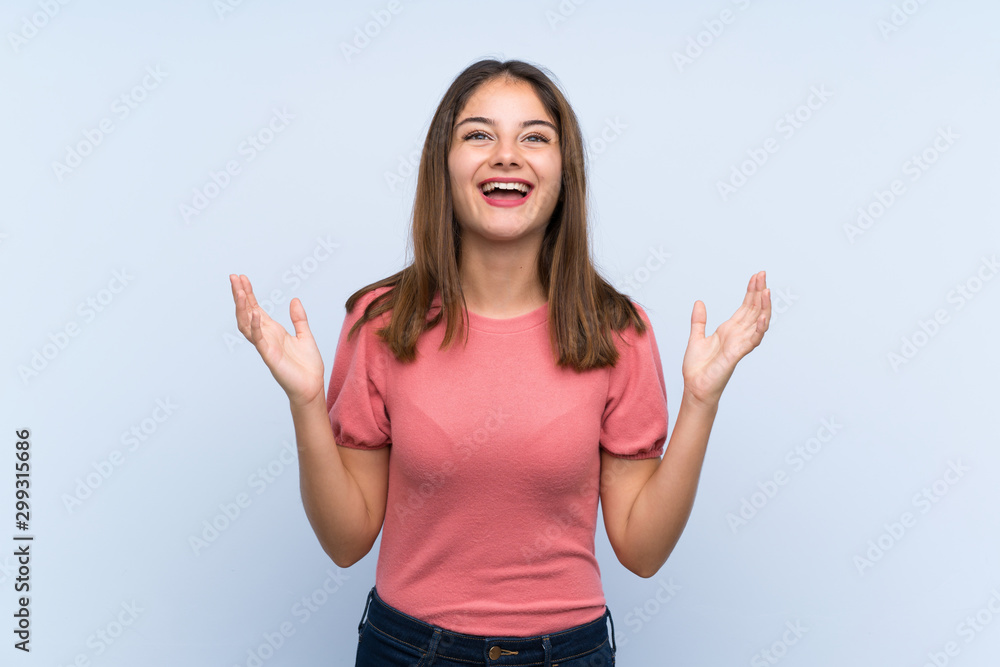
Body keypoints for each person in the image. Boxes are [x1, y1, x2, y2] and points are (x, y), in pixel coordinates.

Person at [229, 57, 770, 667]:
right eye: (478, 134)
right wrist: (304, 403)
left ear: (565, 174)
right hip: (408, 649)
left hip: (570, 653)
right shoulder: (381, 322)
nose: (507, 155)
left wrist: (702, 403)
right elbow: (345, 541)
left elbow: (642, 552)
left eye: (534, 137)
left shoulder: (617, 331)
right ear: (445, 167)